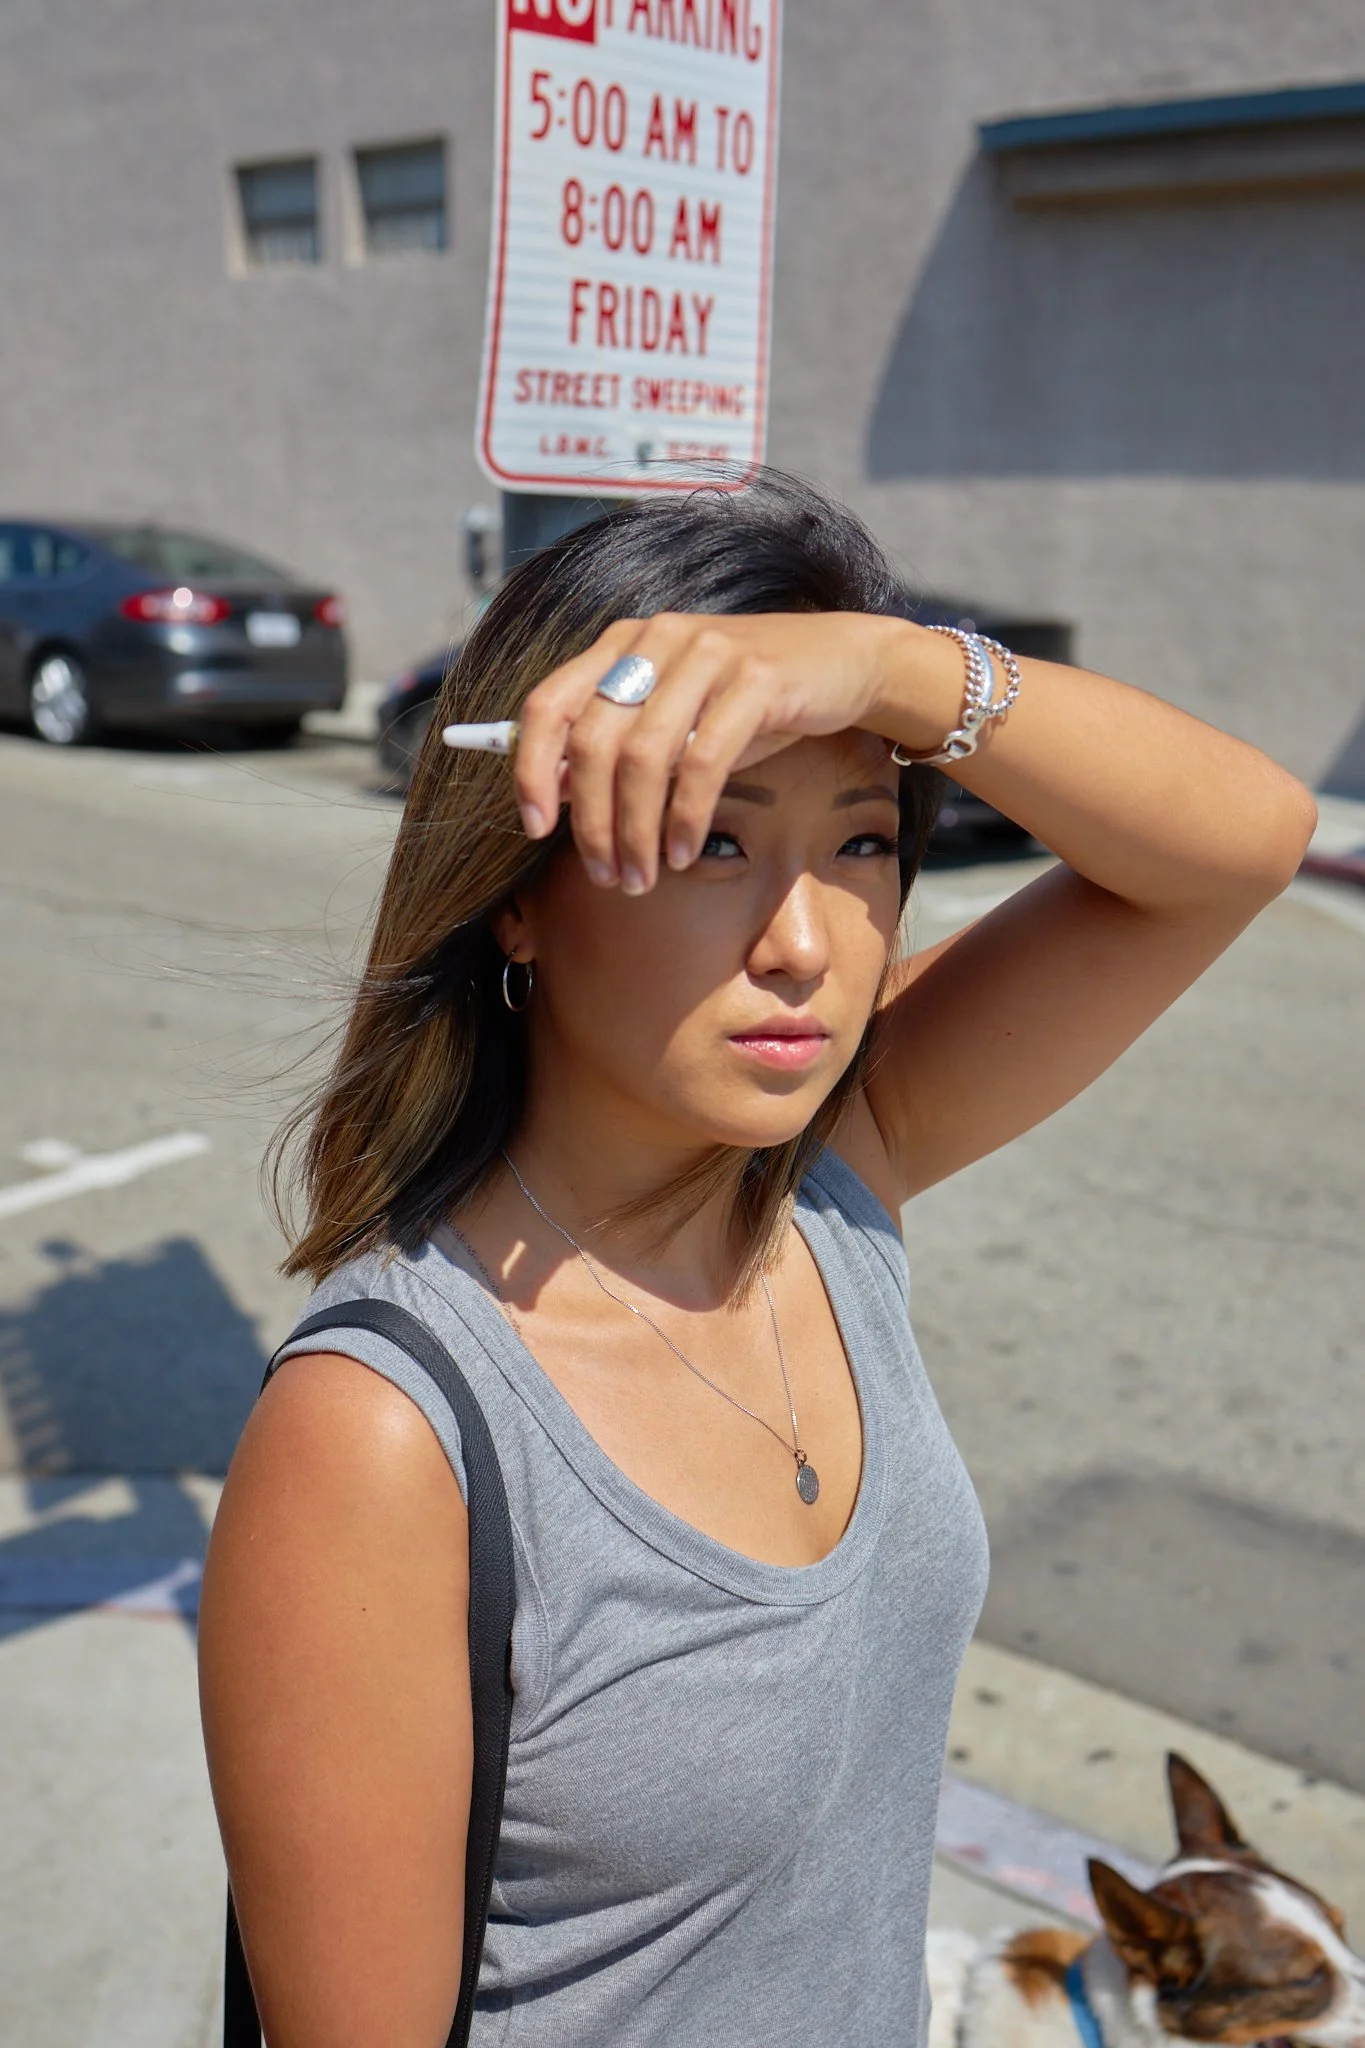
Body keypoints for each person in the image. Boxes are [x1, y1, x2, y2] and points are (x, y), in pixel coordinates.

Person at [198, 472, 1315, 2047]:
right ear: (518, 900)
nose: (807, 942)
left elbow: (1243, 845)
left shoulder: (836, 1173)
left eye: (863, 840)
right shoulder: (383, 1435)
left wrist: (890, 669)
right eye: (711, 837)